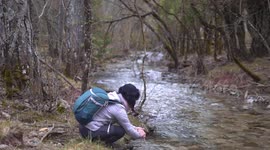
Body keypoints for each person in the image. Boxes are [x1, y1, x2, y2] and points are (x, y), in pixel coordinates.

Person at [79, 83, 146, 145]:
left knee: (119, 128)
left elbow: (124, 123)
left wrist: (136, 128)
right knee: (121, 131)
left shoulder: (112, 97)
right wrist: (140, 135)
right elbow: (128, 129)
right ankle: (102, 144)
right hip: (90, 132)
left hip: (83, 127)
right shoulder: (119, 109)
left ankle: (97, 140)